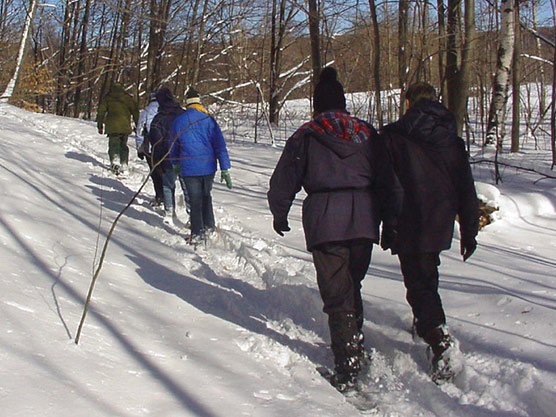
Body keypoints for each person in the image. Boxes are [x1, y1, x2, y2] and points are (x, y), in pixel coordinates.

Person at [267, 67, 401, 392]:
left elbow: (283, 179)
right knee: (352, 284)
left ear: (316, 104)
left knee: (337, 292)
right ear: (343, 102)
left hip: (325, 219)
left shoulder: (306, 135)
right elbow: (389, 182)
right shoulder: (368, 134)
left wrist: (279, 211)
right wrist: (391, 222)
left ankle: (347, 366)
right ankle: (354, 346)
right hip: (365, 218)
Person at [380, 82, 479, 384]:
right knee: (426, 273)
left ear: (408, 103)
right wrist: (469, 229)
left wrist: (387, 221)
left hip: (410, 219)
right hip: (440, 220)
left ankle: (440, 339)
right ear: (435, 102)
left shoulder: (394, 136)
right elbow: (466, 187)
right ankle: (424, 321)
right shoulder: (452, 139)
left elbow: (386, 184)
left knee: (419, 282)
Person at [170, 87, 232, 241]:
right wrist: (225, 168)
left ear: (187, 103)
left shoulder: (179, 121)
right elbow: (219, 145)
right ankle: (210, 227)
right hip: (208, 167)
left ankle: (197, 233)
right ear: (198, 102)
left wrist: (175, 163)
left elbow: (173, 145)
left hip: (189, 167)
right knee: (206, 196)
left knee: (195, 199)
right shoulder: (208, 120)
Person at [149, 87, 186, 224]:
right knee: (187, 187)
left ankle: (170, 212)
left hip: (167, 157)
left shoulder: (158, 119)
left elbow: (156, 142)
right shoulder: (184, 114)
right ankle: (193, 216)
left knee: (168, 186)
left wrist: (157, 160)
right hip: (184, 157)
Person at [96, 82, 139, 175]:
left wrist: (100, 125)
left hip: (112, 126)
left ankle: (115, 160)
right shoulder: (127, 98)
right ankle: (124, 163)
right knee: (123, 145)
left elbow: (101, 112)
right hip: (125, 126)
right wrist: (137, 124)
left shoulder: (108, 98)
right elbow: (135, 111)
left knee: (113, 144)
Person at [136, 91, 164, 207]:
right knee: (165, 173)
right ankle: (167, 198)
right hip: (165, 146)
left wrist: (139, 148)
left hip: (150, 147)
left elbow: (139, 131)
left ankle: (159, 196)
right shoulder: (165, 110)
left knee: (154, 173)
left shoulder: (146, 112)